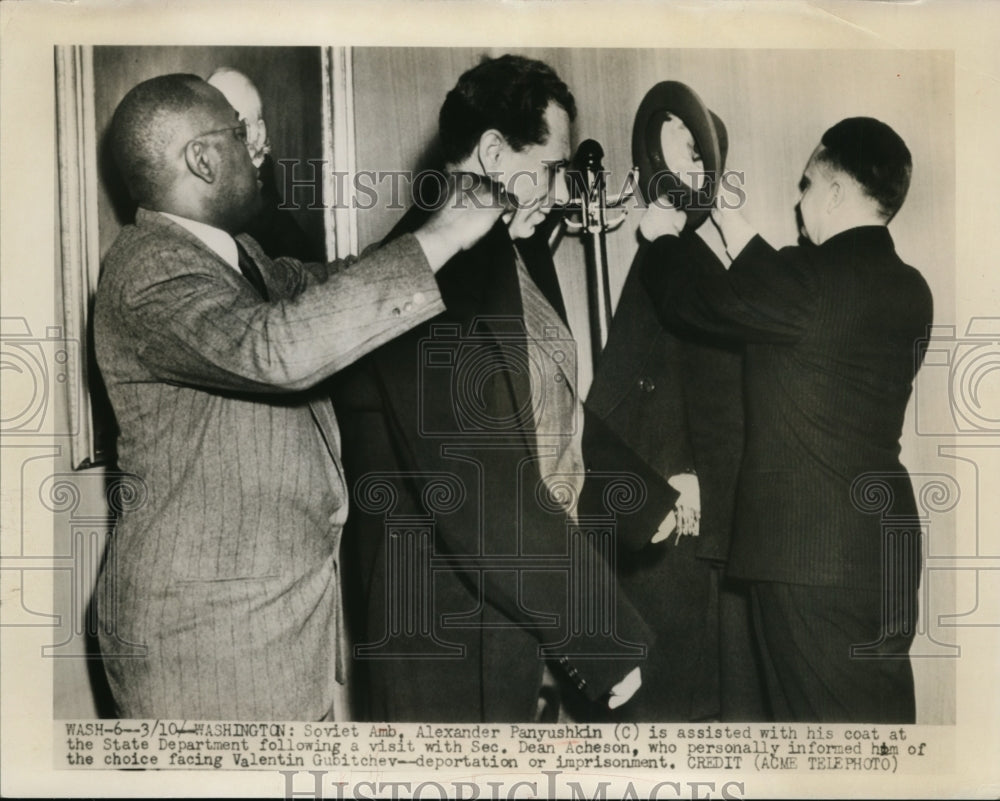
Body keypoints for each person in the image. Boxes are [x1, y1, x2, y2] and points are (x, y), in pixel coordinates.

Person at [93, 72, 503, 720]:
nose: (259, 146)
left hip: (270, 628)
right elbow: (276, 348)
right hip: (205, 642)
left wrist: (449, 213)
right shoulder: (147, 268)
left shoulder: (242, 257)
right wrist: (444, 234)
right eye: (239, 131)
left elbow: (340, 283)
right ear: (201, 158)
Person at [331, 55, 674, 722]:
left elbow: (546, 407)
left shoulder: (507, 255)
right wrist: (601, 638)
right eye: (550, 167)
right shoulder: (419, 278)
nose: (560, 187)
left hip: (510, 613)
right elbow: (479, 482)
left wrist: (640, 497)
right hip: (447, 635)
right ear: (492, 151)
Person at [640, 116, 933, 722]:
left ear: (832, 192)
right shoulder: (910, 290)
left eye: (805, 187)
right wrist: (729, 223)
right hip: (884, 548)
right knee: (881, 729)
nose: (798, 205)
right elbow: (788, 305)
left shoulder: (808, 283)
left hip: (810, 558)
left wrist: (662, 238)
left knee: (824, 750)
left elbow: (697, 303)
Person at [587, 81, 764, 721]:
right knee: (666, 705)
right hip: (660, 510)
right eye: (676, 150)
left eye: (697, 152)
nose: (685, 165)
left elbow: (720, 387)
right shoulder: (661, 255)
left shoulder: (697, 258)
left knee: (695, 702)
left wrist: (691, 472)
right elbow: (627, 384)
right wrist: (665, 469)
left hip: (689, 512)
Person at [207, 67, 324, 261]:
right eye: (209, 121)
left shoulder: (285, 244)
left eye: (232, 125)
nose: (215, 140)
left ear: (259, 134)